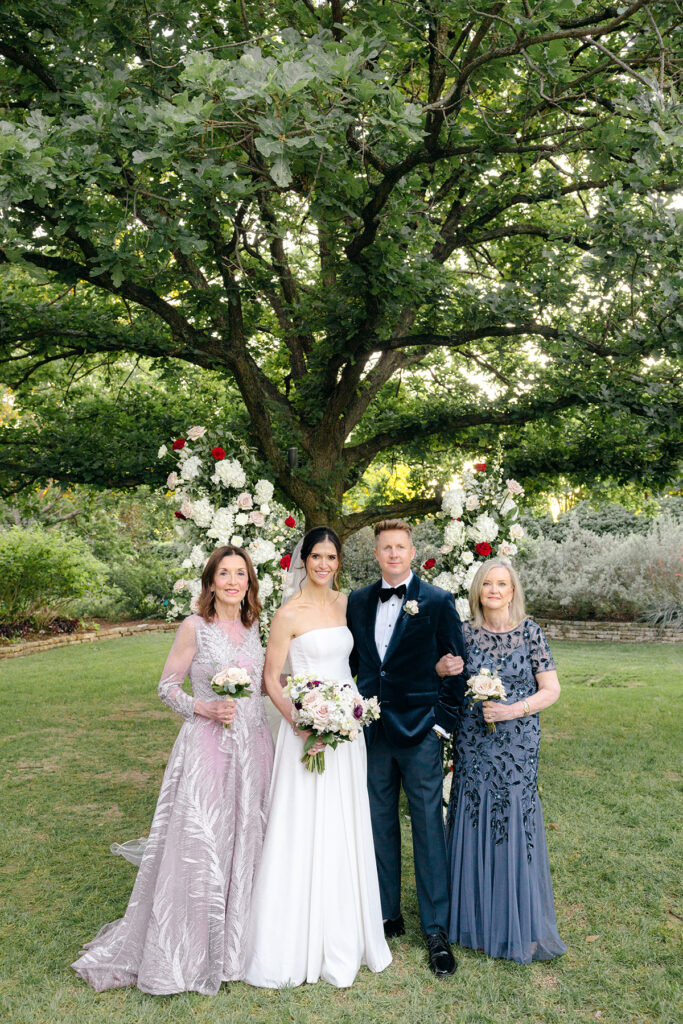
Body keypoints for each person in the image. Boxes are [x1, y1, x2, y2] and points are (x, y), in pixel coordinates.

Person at [72, 546, 274, 994]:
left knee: (247, 838)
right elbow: (166, 688)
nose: (233, 581)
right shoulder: (194, 627)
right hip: (208, 748)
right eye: (224, 573)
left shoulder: (254, 626)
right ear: (211, 581)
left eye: (241, 573)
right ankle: (189, 946)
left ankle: (240, 943)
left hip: (254, 746)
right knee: (203, 841)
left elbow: (261, 685)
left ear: (250, 582)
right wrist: (204, 706)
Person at [244, 527, 391, 988]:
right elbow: (272, 679)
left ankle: (348, 927)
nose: (324, 564)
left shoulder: (350, 605)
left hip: (347, 729)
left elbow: (369, 660)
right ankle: (294, 934)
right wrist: (300, 722)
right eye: (316, 556)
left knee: (345, 818)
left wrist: (345, 716)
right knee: (304, 822)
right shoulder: (287, 614)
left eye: (331, 557)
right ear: (303, 560)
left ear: (338, 562)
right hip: (303, 729)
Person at [346, 520, 467, 977]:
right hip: (372, 734)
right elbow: (354, 663)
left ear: (412, 551)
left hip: (420, 733)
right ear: (376, 553)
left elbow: (456, 666)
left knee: (427, 827)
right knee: (377, 824)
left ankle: (436, 928)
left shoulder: (437, 601)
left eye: (400, 546)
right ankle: (386, 915)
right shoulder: (358, 601)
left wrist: (441, 726)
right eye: (385, 547)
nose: (393, 553)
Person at [438, 558, 566, 964]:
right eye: (487, 584)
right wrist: (442, 669)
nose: (494, 590)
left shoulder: (531, 633)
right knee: (473, 814)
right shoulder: (464, 634)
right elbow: (447, 678)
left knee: (510, 819)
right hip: (473, 742)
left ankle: (516, 919)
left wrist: (512, 710)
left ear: (512, 591)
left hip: (517, 744)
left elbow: (551, 690)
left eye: (502, 584)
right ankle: (473, 921)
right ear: (478, 590)